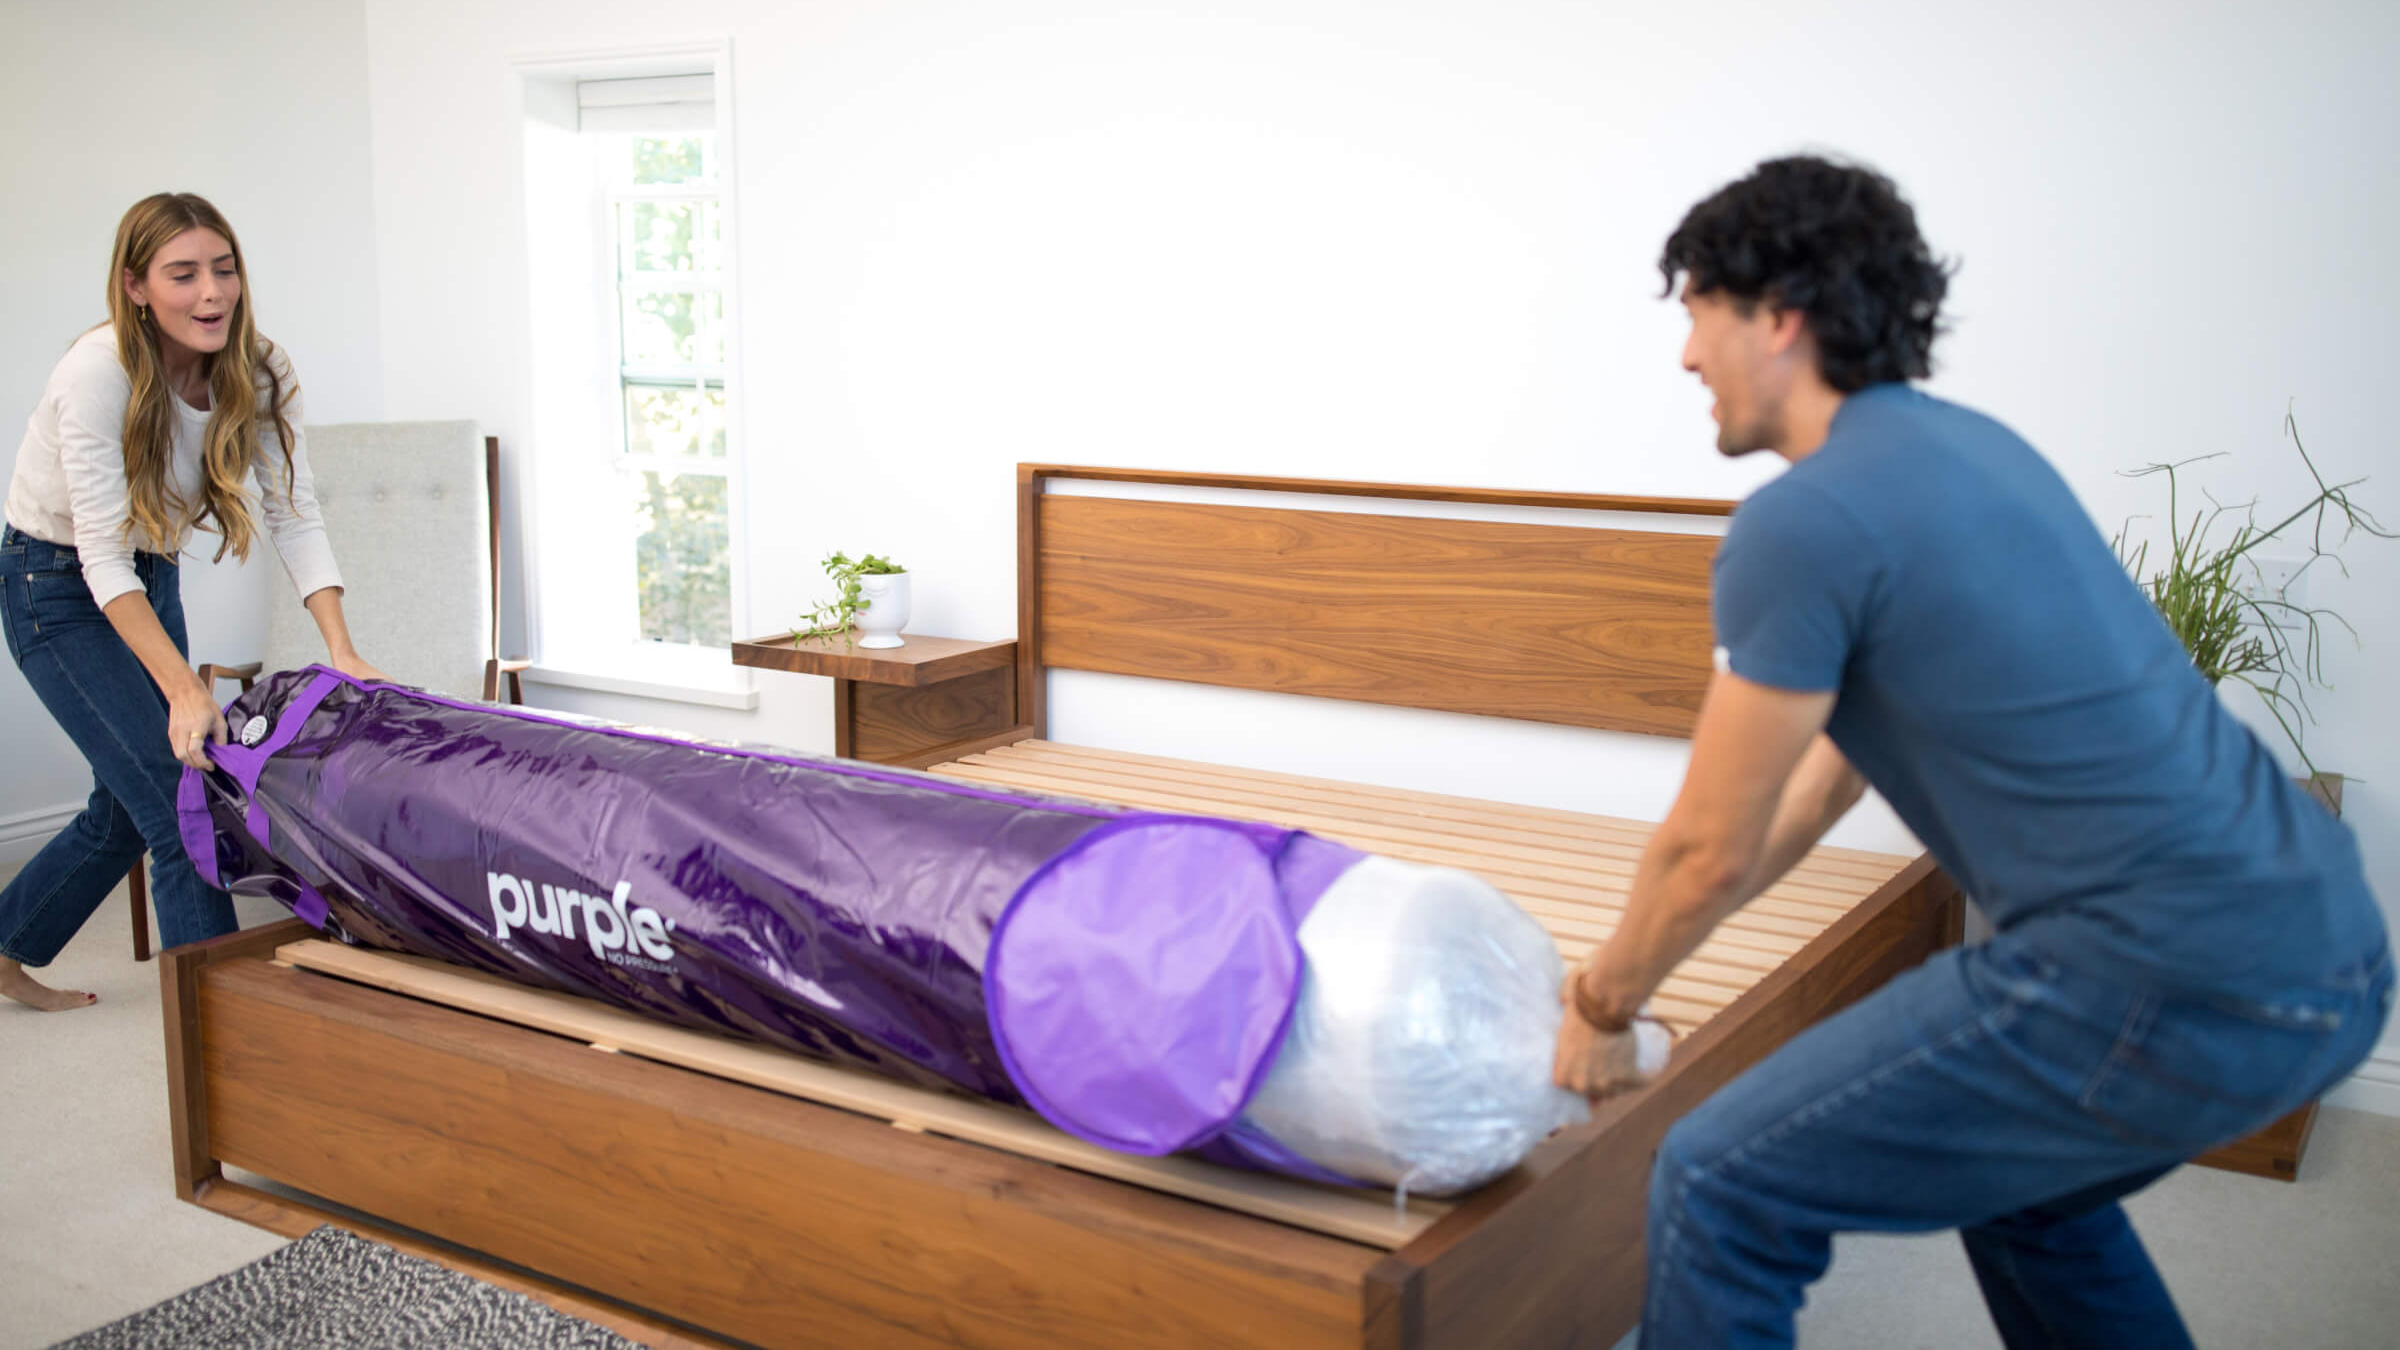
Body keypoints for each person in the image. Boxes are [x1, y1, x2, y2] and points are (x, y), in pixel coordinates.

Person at [1551, 156, 2390, 1348]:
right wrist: (1677, 960)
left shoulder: (1803, 524)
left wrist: (1599, 999)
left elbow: (1704, 848)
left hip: (2155, 975)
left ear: (1777, 317)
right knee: (2028, 1198)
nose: (1687, 356)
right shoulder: (1975, 451)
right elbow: (1811, 790)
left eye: (1699, 315)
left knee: (1718, 1181)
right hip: (2332, 954)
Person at [1, 192, 386, 1011]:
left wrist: (341, 647)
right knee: (183, 805)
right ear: (137, 286)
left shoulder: (261, 368)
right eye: (184, 274)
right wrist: (184, 689)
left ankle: (5, 943)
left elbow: (294, 511)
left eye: (225, 267)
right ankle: (219, 1044)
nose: (212, 293)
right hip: (54, 587)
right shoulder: (96, 372)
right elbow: (101, 560)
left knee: (125, 802)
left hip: (150, 571)